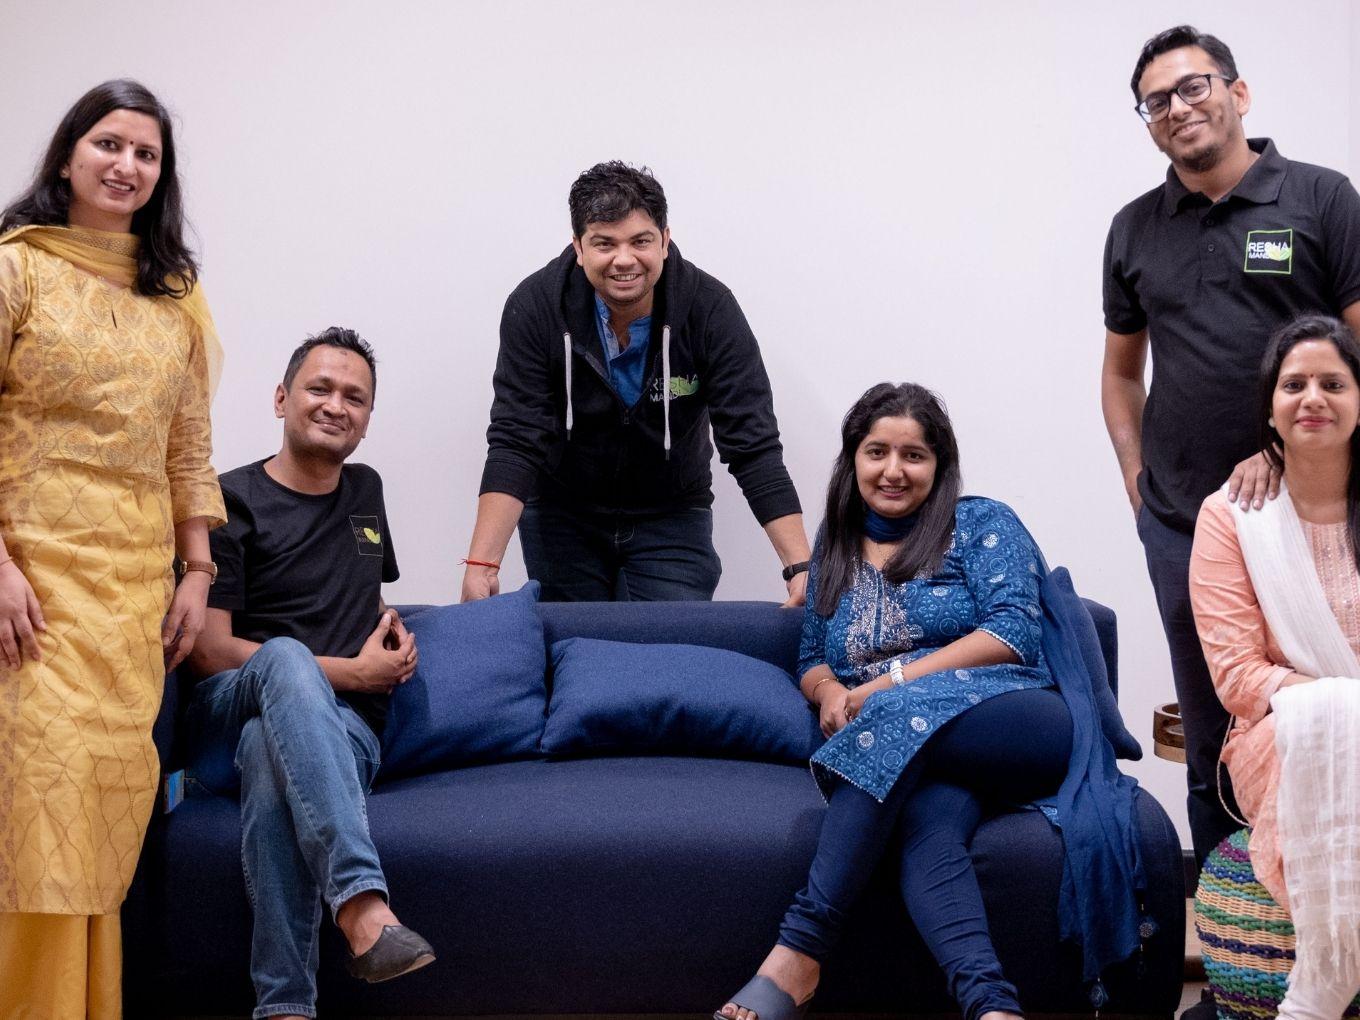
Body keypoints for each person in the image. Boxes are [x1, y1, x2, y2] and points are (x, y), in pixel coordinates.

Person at [716, 383, 1142, 1020]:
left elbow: (1012, 632)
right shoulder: (835, 546)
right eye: (877, 452)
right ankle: (991, 1005)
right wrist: (831, 692)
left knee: (892, 725)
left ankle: (799, 952)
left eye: (913, 455)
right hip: (914, 746)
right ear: (852, 460)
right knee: (927, 828)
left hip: (1017, 719)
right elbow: (810, 657)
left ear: (940, 465)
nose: (893, 470)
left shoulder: (981, 522)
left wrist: (884, 688)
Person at [1101, 24, 1360, 871]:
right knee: (1215, 729)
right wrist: (1143, 490)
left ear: (1237, 93)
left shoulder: (1322, 199)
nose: (1177, 108)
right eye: (1155, 101)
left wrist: (1284, 460)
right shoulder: (1134, 228)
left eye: (1193, 86)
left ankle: (1328, 931)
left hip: (1313, 515)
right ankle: (1233, 955)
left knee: (1326, 710)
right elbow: (1120, 373)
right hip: (1182, 526)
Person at [0, 79, 226, 1018]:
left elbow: (188, 449)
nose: (127, 165)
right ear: (66, 156)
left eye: (147, 154)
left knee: (98, 808)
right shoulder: (16, 269)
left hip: (132, 591)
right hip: (27, 585)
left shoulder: (173, 302)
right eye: (109, 145)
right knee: (30, 802)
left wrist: (200, 570)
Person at [185, 328, 434, 1020]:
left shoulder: (366, 489)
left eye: (355, 397)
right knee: (284, 658)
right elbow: (210, 651)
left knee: (274, 753)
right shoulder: (226, 501)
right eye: (320, 388)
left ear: (367, 418)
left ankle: (286, 1010)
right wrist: (355, 672)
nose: (336, 405)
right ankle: (362, 905)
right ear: (280, 398)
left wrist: (393, 627)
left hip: (343, 733)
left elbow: (357, 588)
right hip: (230, 708)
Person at [463, 160, 810, 605]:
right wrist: (481, 565)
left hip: (672, 513)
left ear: (665, 240)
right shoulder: (535, 307)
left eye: (640, 241)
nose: (623, 259)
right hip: (563, 514)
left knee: (671, 656)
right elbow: (516, 438)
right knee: (577, 654)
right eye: (604, 243)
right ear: (578, 246)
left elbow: (752, 445)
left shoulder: (710, 310)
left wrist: (800, 567)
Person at [1190, 314, 1360, 1019]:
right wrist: (1347, 706)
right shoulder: (1232, 517)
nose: (1313, 397)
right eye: (1294, 384)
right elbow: (1236, 677)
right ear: (1269, 406)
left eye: (1333, 382)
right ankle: (1325, 988)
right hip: (1278, 740)